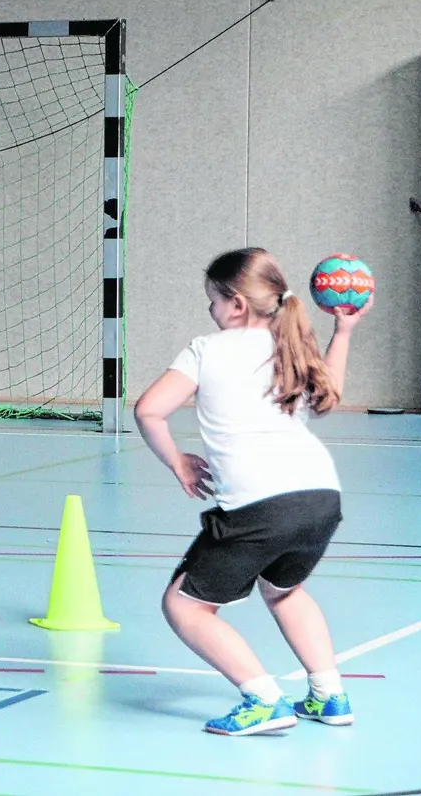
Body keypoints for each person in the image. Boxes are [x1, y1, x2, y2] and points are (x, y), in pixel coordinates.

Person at [133, 247, 372, 735]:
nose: (211, 312)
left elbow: (148, 410)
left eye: (214, 302)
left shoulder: (206, 349)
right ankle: (329, 695)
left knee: (184, 606)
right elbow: (329, 397)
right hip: (321, 496)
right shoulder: (292, 347)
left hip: (260, 503)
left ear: (237, 304)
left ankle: (263, 699)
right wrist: (343, 332)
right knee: (285, 590)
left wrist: (177, 461)